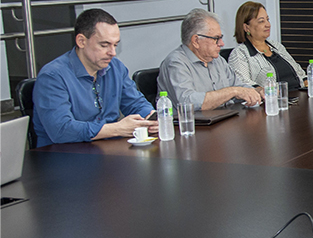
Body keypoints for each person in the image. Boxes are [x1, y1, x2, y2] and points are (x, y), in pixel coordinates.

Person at [32, 8, 157, 147]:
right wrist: (116, 129)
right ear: (81, 41)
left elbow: (135, 103)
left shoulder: (115, 67)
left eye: (115, 45)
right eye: (104, 45)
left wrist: (151, 118)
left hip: (108, 151)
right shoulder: (52, 76)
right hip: (63, 156)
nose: (113, 52)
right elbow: (61, 130)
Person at [158, 8, 262, 111]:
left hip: (225, 120)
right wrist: (233, 91)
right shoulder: (176, 63)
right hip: (192, 126)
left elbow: (239, 87)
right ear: (196, 41)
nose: (222, 44)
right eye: (216, 39)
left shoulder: (217, 60)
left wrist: (257, 92)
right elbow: (187, 102)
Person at [227, 1, 306, 90]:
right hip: (271, 101)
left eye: (267, 20)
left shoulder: (276, 46)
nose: (268, 25)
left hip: (299, 95)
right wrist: (262, 91)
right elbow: (242, 84)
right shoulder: (240, 54)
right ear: (246, 27)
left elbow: (299, 72)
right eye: (261, 21)